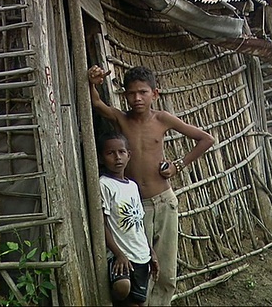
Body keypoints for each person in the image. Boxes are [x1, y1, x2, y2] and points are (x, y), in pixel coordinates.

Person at [89, 65, 215, 306]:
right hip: (137, 208)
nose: (137, 98)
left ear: (154, 94)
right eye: (131, 93)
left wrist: (178, 165)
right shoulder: (121, 119)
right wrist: (93, 83)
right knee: (143, 266)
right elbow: (96, 105)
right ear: (124, 95)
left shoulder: (162, 119)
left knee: (166, 270)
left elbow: (205, 139)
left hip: (165, 201)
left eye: (143, 92)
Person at [98, 132, 159, 306]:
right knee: (122, 287)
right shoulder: (104, 184)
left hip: (141, 255)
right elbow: (102, 223)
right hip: (121, 255)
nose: (117, 157)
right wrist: (118, 254)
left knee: (137, 302)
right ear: (102, 158)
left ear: (128, 155)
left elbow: (138, 224)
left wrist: (151, 252)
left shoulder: (133, 186)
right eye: (110, 153)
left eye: (121, 152)